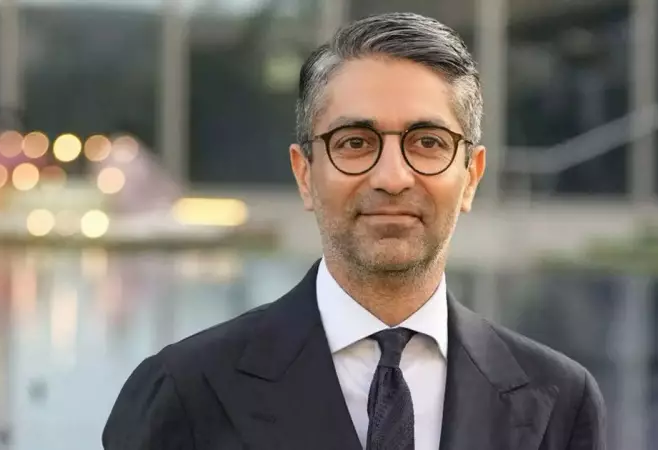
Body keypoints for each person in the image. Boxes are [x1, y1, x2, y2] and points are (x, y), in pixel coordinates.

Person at [102, 12, 606, 450]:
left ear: (471, 176)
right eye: (356, 143)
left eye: (428, 142)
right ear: (305, 174)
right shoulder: (185, 393)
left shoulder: (560, 401)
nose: (392, 177)